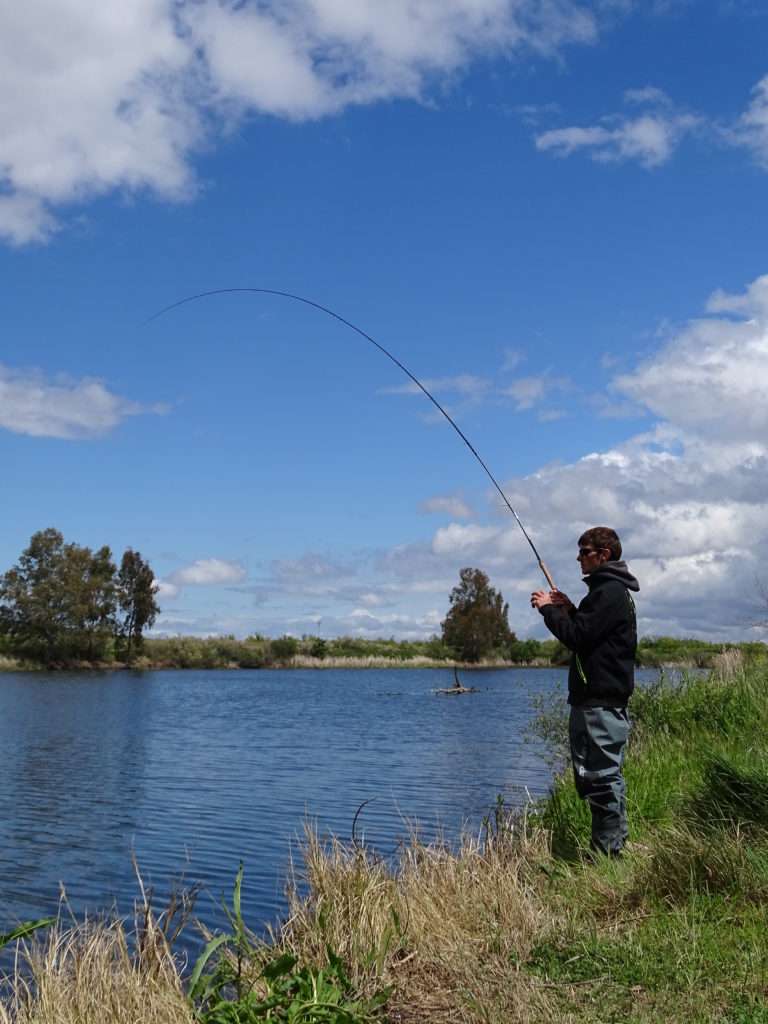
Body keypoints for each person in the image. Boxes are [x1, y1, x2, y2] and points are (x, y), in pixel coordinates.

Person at [531, 527, 639, 857]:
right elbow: (591, 634)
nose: (579, 558)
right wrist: (569, 607)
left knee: (600, 780)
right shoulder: (607, 593)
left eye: (584, 552)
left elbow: (577, 638)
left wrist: (549, 609)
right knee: (603, 779)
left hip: (599, 706)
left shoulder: (609, 593)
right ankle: (612, 850)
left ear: (603, 555)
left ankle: (606, 856)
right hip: (600, 704)